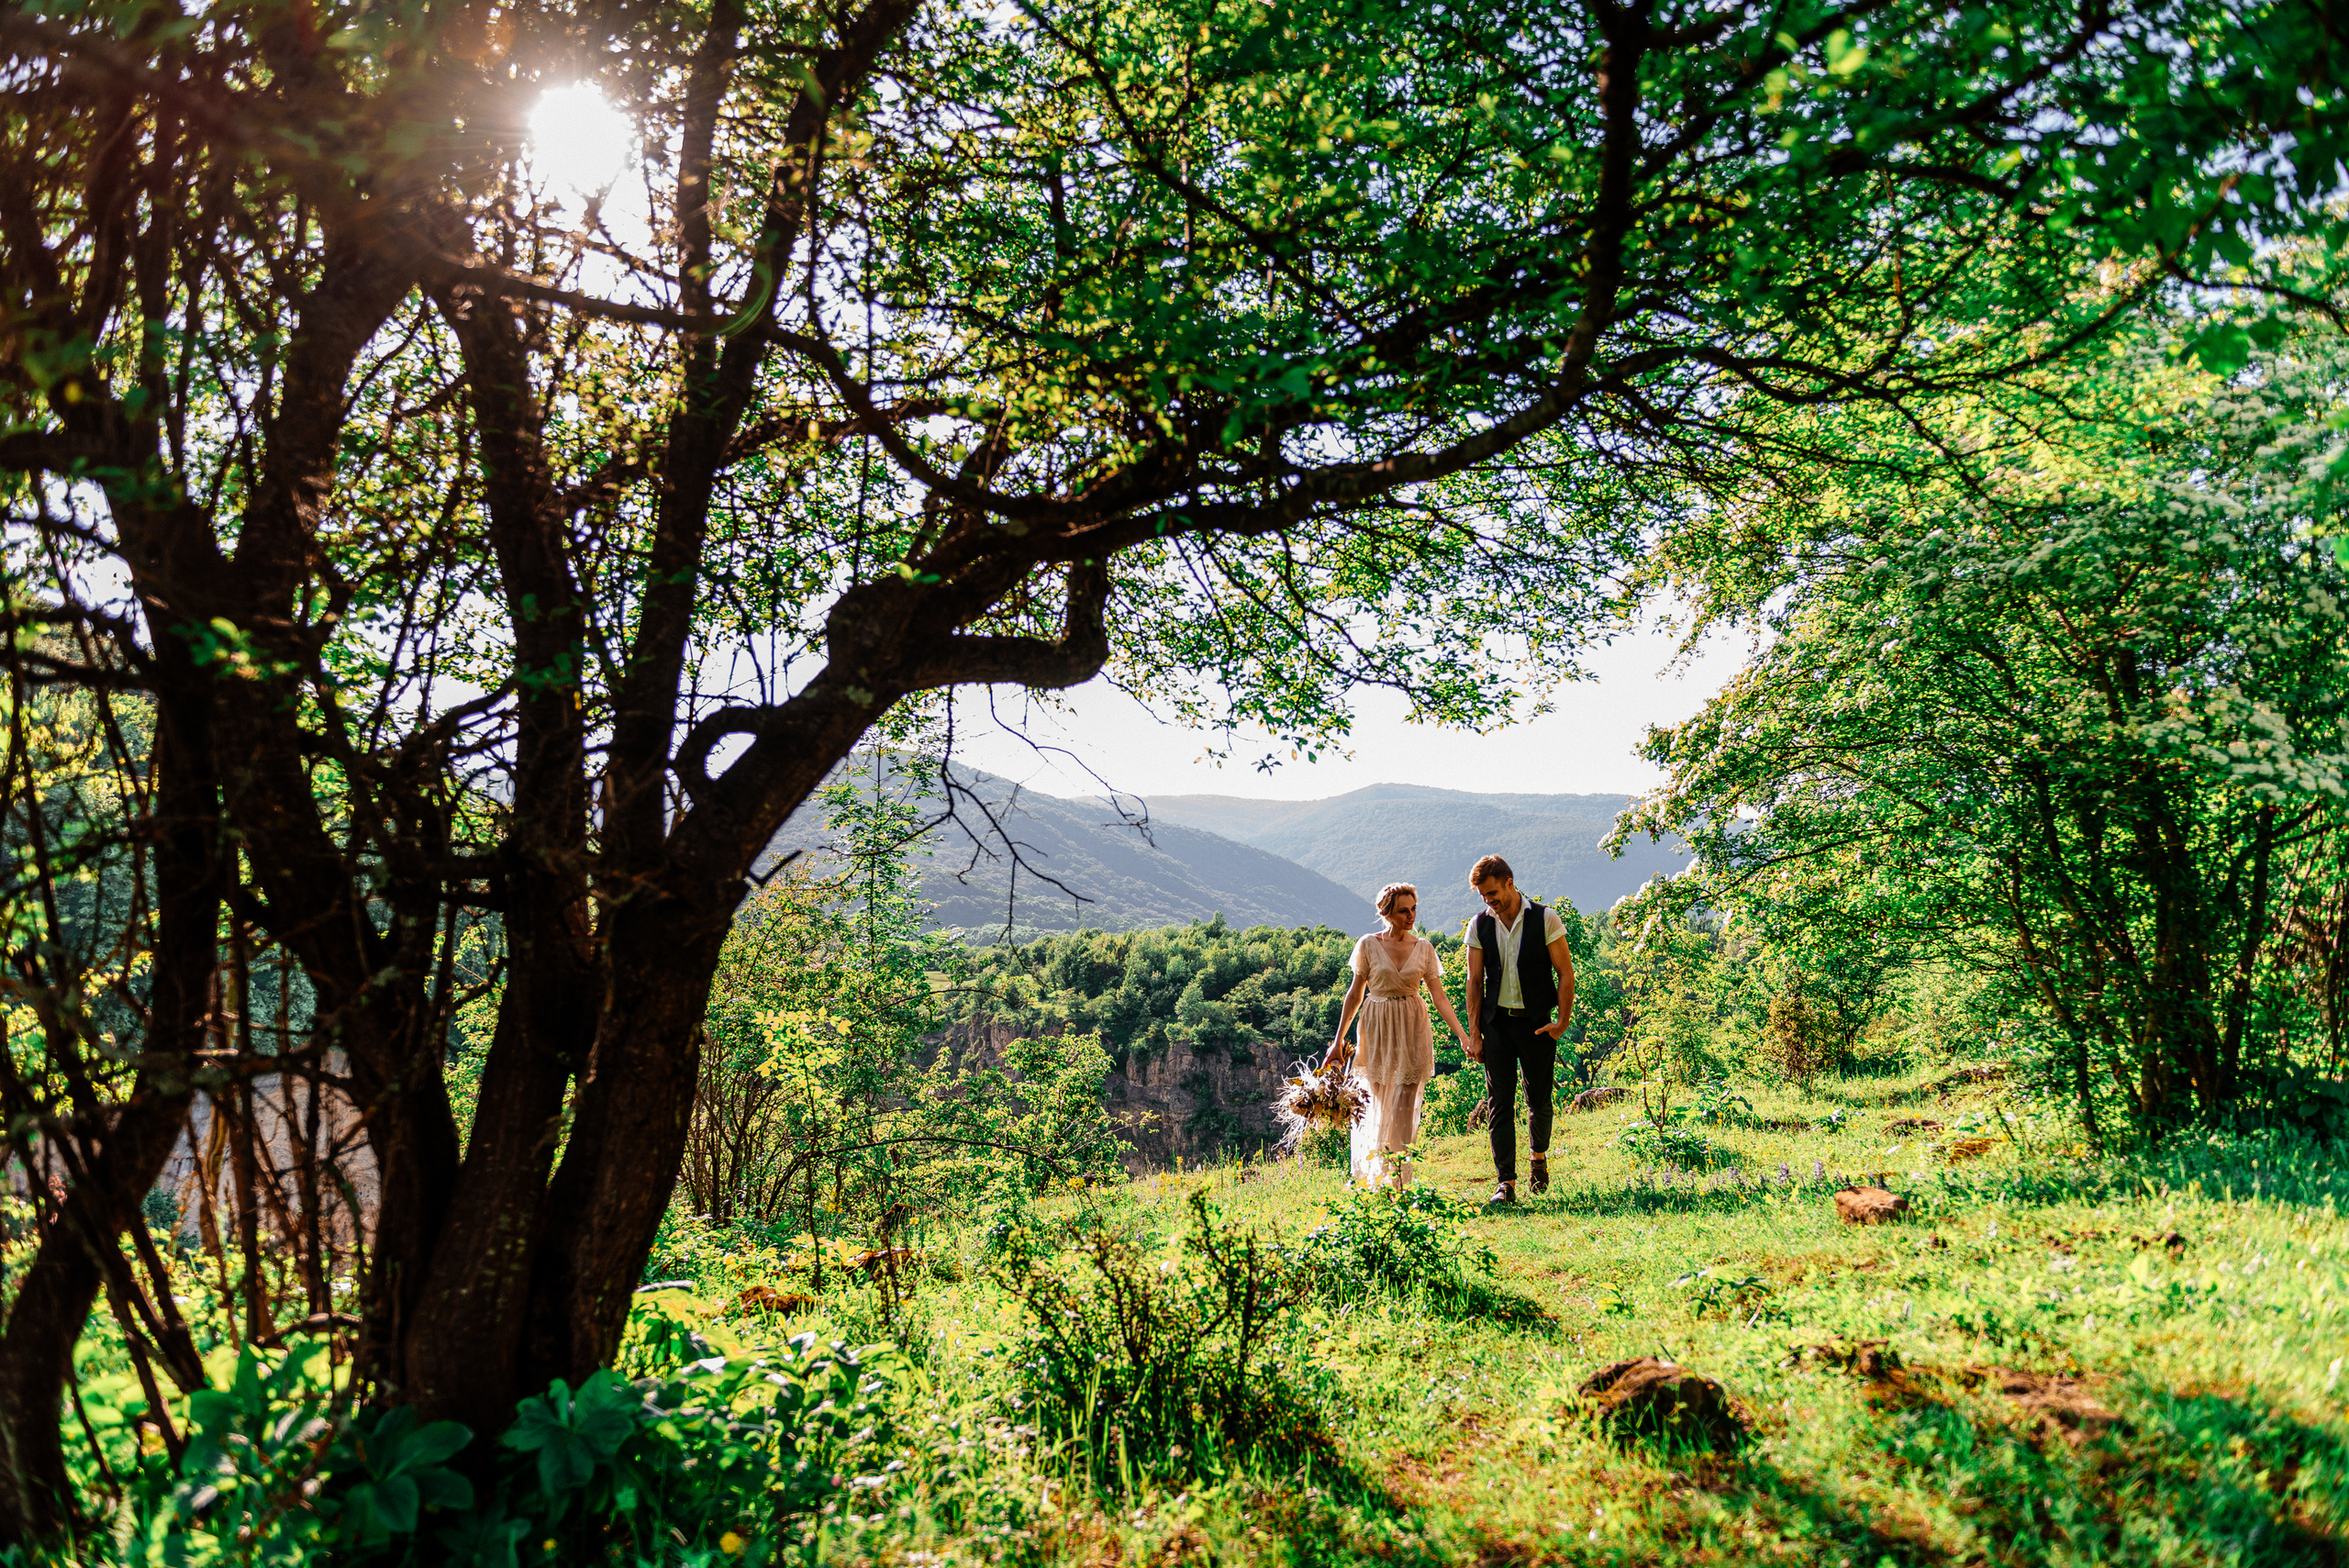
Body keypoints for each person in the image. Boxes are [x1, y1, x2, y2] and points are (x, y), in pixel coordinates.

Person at [1322, 883, 1472, 1187]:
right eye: (1404, 910)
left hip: (1413, 1029)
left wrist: (1463, 1036)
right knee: (1377, 1104)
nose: (1411, 915)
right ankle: (1376, 1176)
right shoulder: (1368, 944)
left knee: (1404, 1106)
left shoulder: (1424, 948)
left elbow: (1439, 997)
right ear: (1386, 912)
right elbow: (1355, 995)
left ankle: (1398, 1181)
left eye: (1414, 909)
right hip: (1377, 1029)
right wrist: (1338, 1042)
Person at [1462, 854, 1576, 1205]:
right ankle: (1506, 1183)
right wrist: (1475, 1034)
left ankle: (1538, 1158)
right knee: (1499, 1103)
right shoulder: (1478, 925)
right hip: (1496, 1024)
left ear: (1509, 883)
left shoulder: (1545, 918)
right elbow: (1474, 981)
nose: (1489, 900)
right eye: (1483, 895)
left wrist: (1562, 1022)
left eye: (1493, 893)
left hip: (1537, 1024)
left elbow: (1565, 972)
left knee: (1538, 1098)